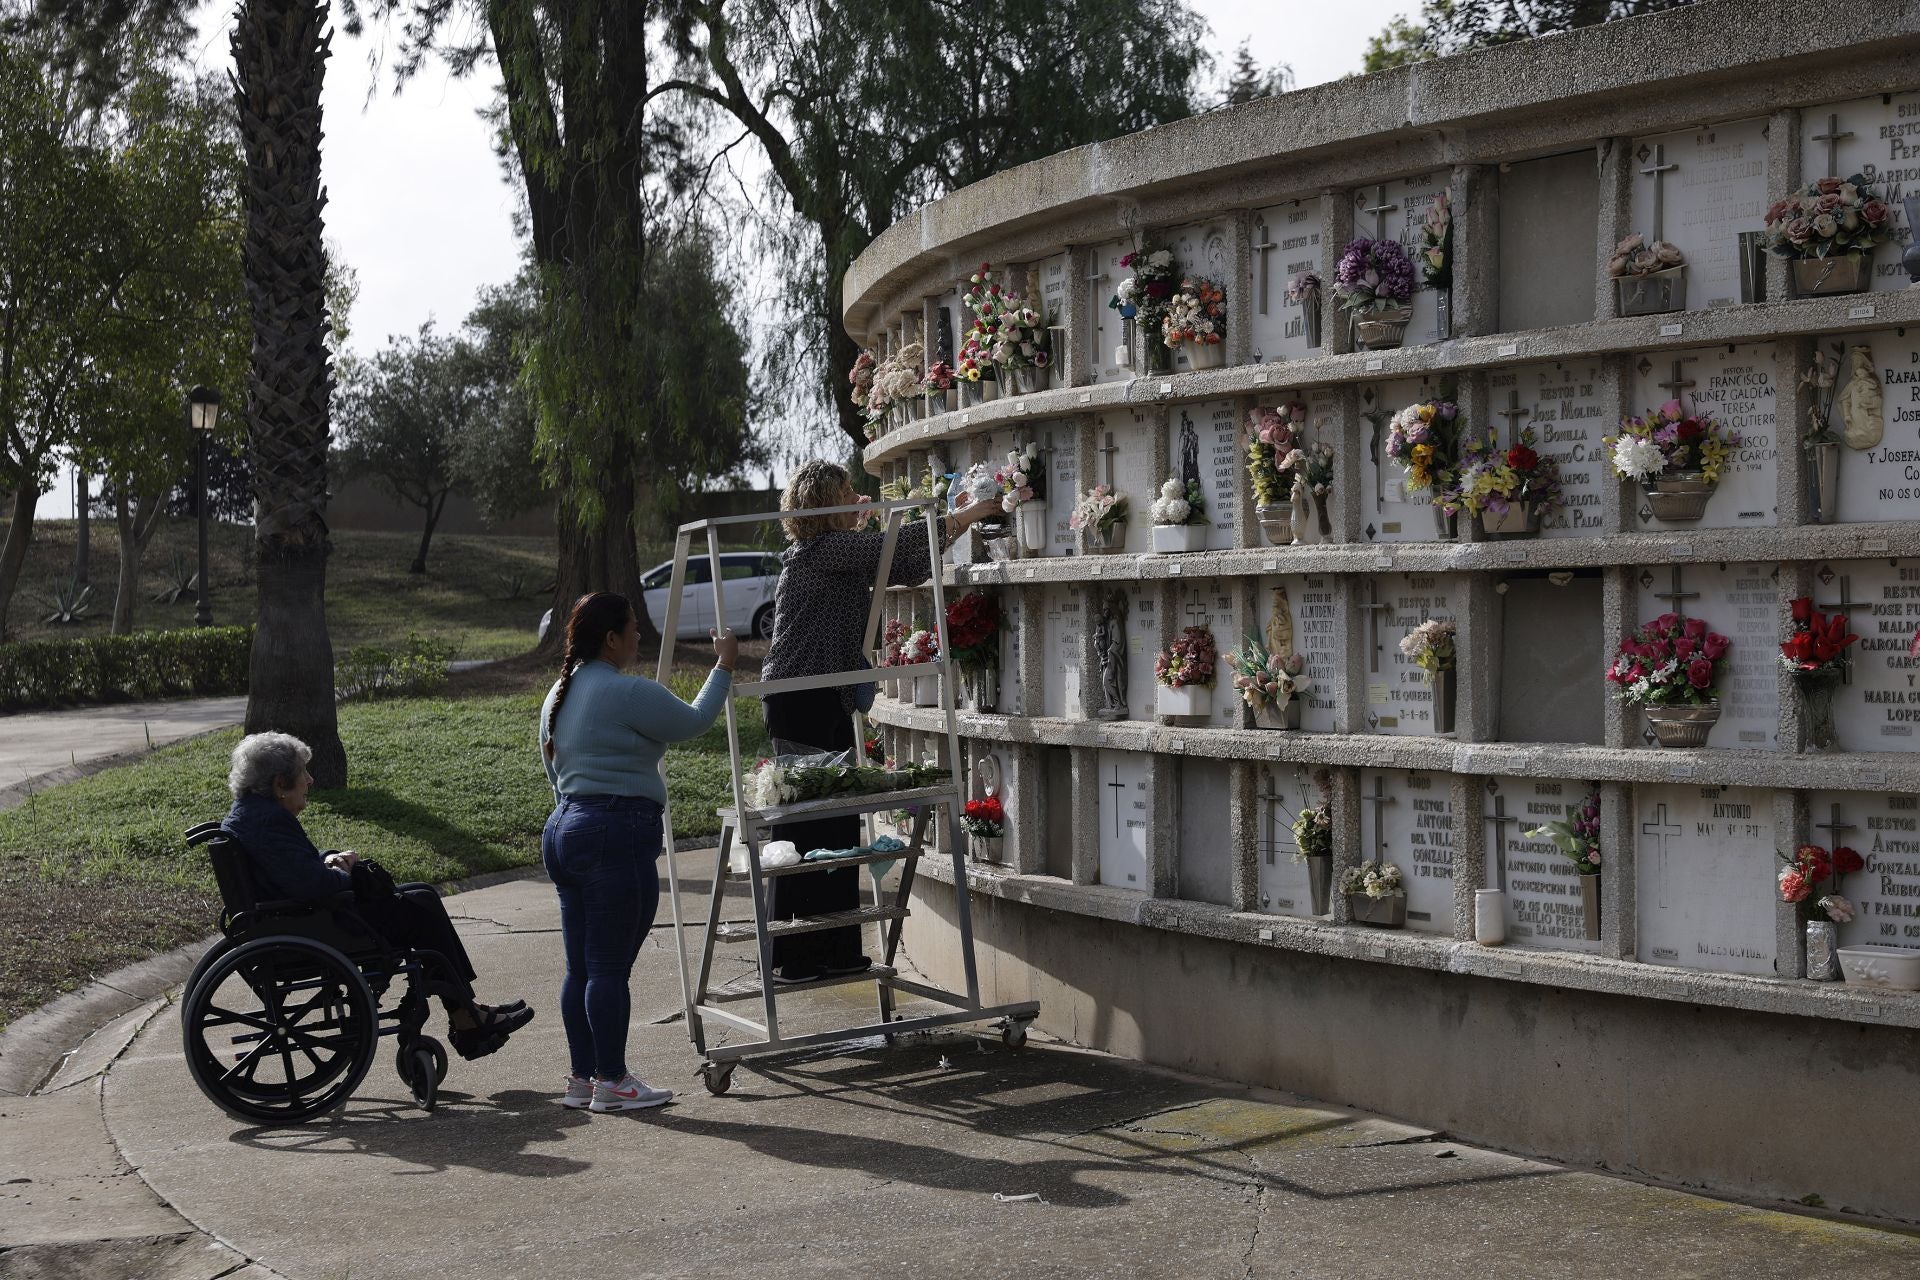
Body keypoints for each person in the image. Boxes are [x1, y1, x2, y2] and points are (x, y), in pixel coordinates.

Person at [758, 460, 995, 984]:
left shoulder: (828, 553)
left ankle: (834, 948)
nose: (857, 496)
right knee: (808, 821)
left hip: (814, 696)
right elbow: (899, 549)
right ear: (827, 503)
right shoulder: (824, 552)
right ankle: (796, 953)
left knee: (838, 819)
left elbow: (904, 565)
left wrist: (932, 525)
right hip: (804, 697)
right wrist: (976, 511)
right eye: (846, 491)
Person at [539, 592, 738, 1113]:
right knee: (607, 968)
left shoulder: (558, 692)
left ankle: (583, 1079)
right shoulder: (624, 692)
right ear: (611, 639)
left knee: (580, 968)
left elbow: (552, 766)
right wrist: (724, 664)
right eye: (632, 628)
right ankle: (614, 1082)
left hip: (564, 827)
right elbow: (695, 722)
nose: (639, 637)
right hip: (613, 833)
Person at [221, 732, 535, 1061]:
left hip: (289, 922)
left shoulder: (250, 814)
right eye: (304, 773)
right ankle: (466, 1017)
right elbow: (312, 886)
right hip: (314, 927)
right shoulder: (270, 820)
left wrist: (330, 860)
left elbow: (294, 869)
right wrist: (344, 871)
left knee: (421, 894)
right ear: (281, 783)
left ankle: (466, 1012)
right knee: (422, 905)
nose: (310, 780)